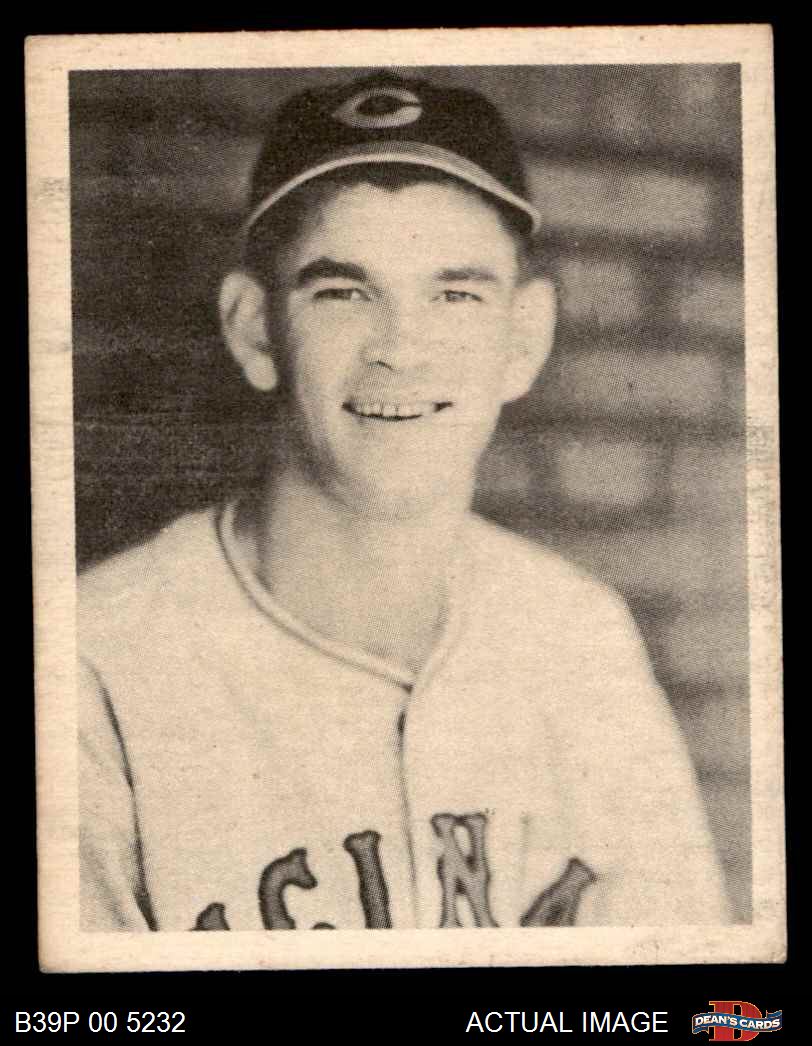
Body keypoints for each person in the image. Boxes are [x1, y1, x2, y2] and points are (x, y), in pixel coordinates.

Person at [78, 72, 730, 931]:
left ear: (523, 338)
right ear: (255, 329)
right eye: (344, 293)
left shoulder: (581, 636)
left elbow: (704, 990)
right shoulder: (96, 662)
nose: (401, 349)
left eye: (455, 294)